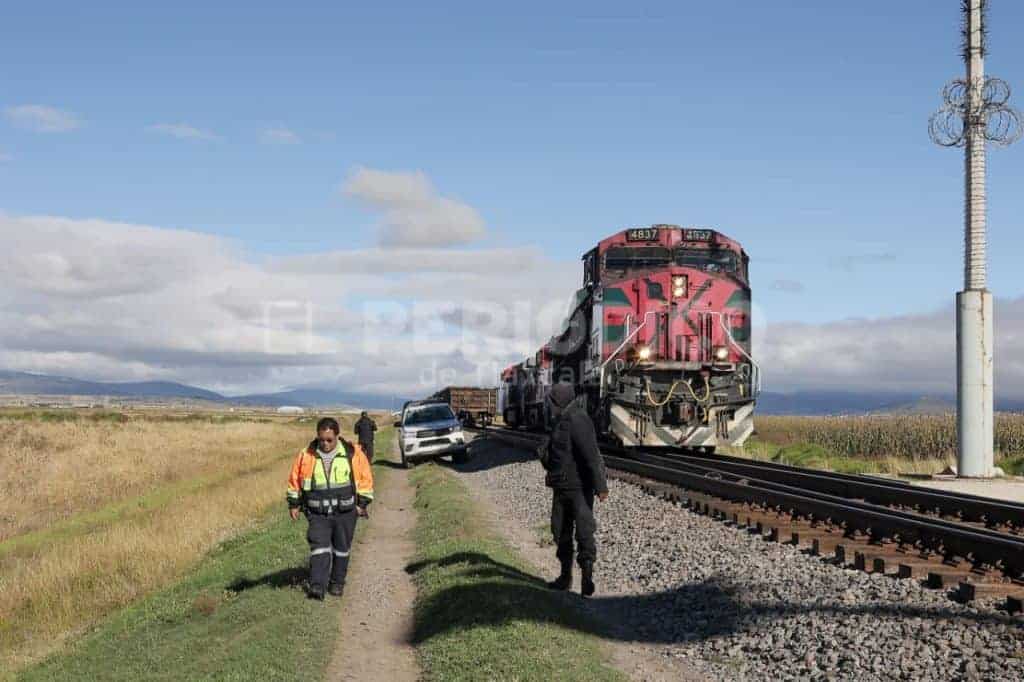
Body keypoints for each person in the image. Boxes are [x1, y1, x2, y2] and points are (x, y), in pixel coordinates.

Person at [287, 417, 374, 600]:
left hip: (345, 513)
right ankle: (317, 586)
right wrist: (294, 504)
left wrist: (362, 504)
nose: (325, 444)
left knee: (341, 549)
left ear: (337, 436)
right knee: (319, 547)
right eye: (321, 440)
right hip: (317, 514)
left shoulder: (353, 453)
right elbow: (295, 480)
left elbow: (365, 479)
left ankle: (337, 583)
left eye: (329, 440)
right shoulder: (306, 455)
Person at [540, 382, 608, 597]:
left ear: (559, 399)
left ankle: (587, 577)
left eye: (551, 400)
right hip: (561, 486)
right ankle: (565, 577)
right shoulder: (558, 419)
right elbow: (554, 452)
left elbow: (591, 455)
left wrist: (601, 486)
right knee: (560, 531)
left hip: (579, 487)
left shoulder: (579, 418)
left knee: (584, 531)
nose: (549, 404)